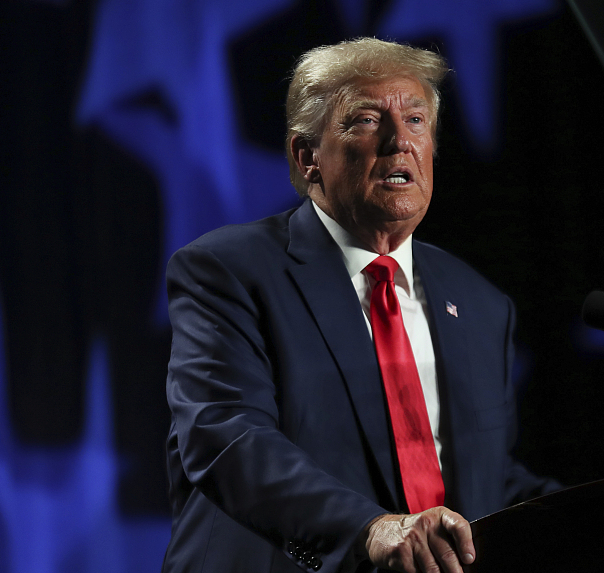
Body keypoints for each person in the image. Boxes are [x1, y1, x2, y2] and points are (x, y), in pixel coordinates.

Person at [162, 37, 559, 573]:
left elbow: (485, 476)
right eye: (367, 121)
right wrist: (370, 529)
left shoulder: (479, 302)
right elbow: (228, 436)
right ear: (308, 158)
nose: (400, 143)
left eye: (416, 120)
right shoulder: (230, 271)